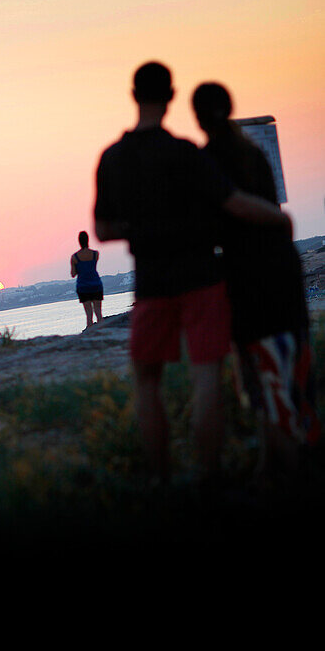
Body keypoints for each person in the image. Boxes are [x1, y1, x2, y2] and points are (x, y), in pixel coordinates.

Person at [93, 61, 292, 485]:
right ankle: (211, 479)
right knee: (207, 377)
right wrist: (277, 220)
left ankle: (163, 482)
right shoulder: (186, 153)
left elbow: (104, 230)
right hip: (202, 278)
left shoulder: (112, 158)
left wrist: (141, 227)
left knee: (147, 384)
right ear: (170, 97)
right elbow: (234, 203)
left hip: (151, 283)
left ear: (133, 95)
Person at [192, 81, 320, 479]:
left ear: (196, 117)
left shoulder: (207, 161)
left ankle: (290, 476)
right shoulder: (254, 152)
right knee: (293, 381)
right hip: (284, 273)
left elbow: (214, 226)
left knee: (268, 391)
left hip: (249, 284)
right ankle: (277, 472)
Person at [71, 231, 104, 328]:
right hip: (96, 284)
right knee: (98, 312)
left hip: (83, 286)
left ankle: (90, 335)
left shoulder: (75, 257)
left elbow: (73, 274)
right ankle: (102, 333)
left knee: (89, 315)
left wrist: (78, 268)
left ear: (79, 241)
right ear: (88, 240)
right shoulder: (95, 254)